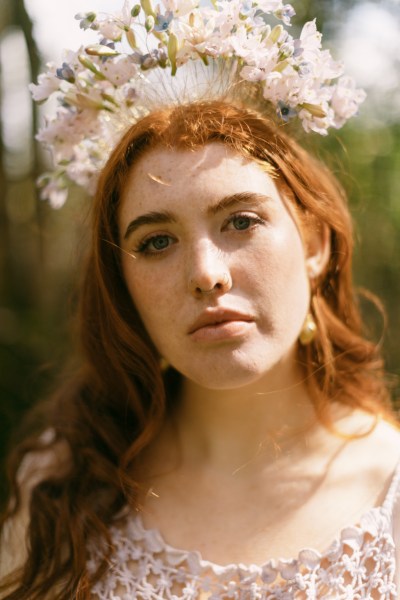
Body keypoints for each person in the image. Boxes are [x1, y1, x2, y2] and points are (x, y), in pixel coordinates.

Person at [1, 3, 400, 600]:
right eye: (156, 241)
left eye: (240, 221)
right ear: (122, 283)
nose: (206, 275)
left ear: (314, 243)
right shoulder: (58, 490)